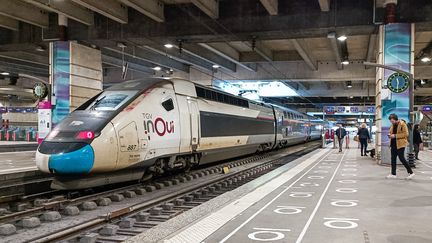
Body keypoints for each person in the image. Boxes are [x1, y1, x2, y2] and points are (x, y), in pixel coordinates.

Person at [386, 113, 415, 180]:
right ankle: (393, 174)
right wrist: (390, 135)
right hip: (393, 144)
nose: (391, 122)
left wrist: (395, 136)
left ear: (396, 119)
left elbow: (406, 134)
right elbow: (391, 132)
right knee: (393, 159)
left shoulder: (402, 124)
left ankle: (411, 173)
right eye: (391, 121)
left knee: (401, 158)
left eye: (392, 121)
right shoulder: (392, 125)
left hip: (400, 144)